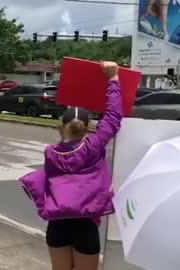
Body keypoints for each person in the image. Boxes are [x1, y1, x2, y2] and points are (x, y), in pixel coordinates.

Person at [19, 62, 122, 270]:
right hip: (85, 226)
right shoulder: (92, 146)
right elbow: (113, 118)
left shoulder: (50, 153)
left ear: (60, 127)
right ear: (87, 129)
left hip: (57, 226)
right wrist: (113, 79)